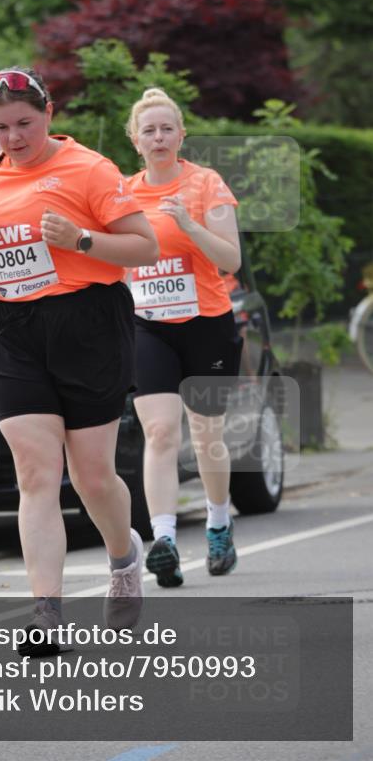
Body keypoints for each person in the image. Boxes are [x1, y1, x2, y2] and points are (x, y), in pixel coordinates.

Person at [0, 67, 159, 650]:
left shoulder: (88, 169)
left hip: (86, 322)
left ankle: (123, 553)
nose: (13, 138)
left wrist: (81, 241)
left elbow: (145, 245)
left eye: (24, 124)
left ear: (49, 114)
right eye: (1, 127)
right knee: (35, 472)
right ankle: (47, 613)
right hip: (10, 326)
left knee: (92, 476)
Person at [125, 88, 243, 587]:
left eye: (166, 129)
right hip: (148, 325)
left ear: (181, 136)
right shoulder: (122, 192)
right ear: (135, 140)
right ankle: (165, 541)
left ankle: (218, 522)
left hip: (206, 325)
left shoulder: (205, 183)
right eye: (148, 130)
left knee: (207, 436)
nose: (158, 137)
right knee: (159, 432)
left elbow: (230, 260)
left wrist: (188, 223)